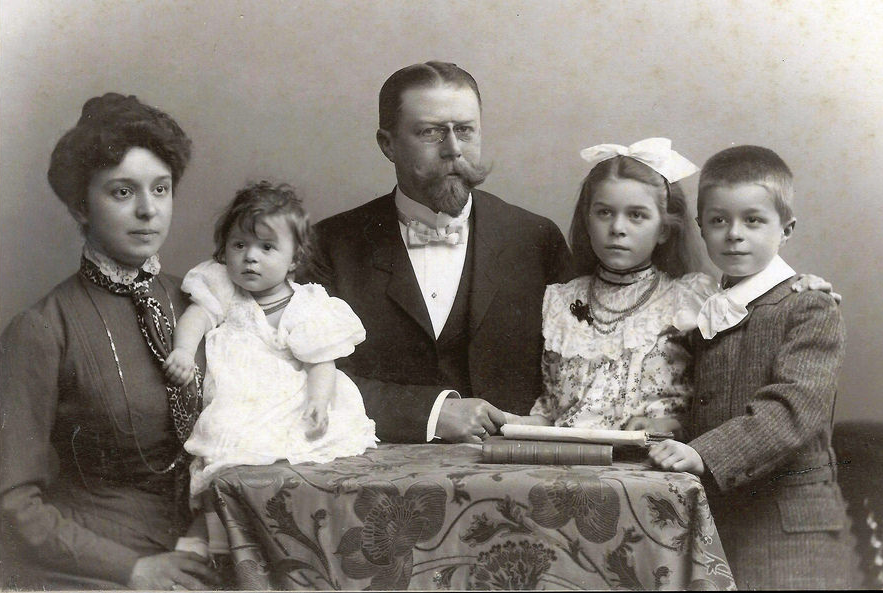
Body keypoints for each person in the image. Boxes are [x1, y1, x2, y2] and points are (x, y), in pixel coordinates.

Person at [0, 93, 218, 590]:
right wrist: (131, 570)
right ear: (81, 205)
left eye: (160, 190)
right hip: (97, 564)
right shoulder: (41, 329)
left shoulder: (197, 302)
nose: (147, 210)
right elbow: (11, 500)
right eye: (122, 193)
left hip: (208, 543)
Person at [309, 61, 574, 444]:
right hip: (372, 478)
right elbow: (306, 375)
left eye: (465, 131)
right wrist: (429, 413)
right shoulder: (330, 245)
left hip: (520, 474)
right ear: (388, 144)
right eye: (431, 132)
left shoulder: (536, 238)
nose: (453, 150)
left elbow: (578, 367)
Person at [648, 145, 859, 589]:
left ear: (787, 229)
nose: (734, 234)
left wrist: (703, 453)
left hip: (791, 528)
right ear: (701, 228)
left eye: (754, 220)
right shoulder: (710, 308)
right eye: (719, 220)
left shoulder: (809, 306)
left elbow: (791, 410)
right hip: (723, 518)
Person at [163, 181, 376, 515]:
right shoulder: (223, 289)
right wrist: (184, 352)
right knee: (224, 439)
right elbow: (197, 317)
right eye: (239, 245)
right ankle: (221, 526)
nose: (250, 256)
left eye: (266, 247)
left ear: (294, 259)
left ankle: (289, 515)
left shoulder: (307, 304)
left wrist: (319, 402)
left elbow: (321, 363)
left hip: (293, 397)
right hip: (239, 395)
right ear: (224, 250)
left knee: (307, 445)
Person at [504, 139, 714, 436]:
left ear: (664, 229)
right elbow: (550, 410)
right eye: (604, 213)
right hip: (568, 461)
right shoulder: (561, 301)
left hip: (654, 463)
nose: (617, 228)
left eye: (636, 215)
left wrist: (674, 425)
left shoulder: (687, 300)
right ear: (587, 222)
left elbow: (716, 403)